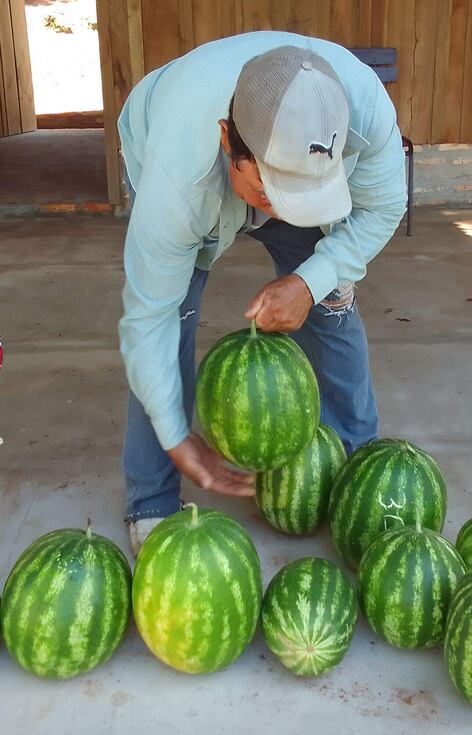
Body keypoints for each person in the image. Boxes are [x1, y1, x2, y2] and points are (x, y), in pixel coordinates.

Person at [117, 32, 407, 554]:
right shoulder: (176, 175)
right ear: (230, 143)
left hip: (269, 163)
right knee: (172, 317)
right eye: (270, 194)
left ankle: (354, 461)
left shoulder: (366, 112)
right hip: (181, 154)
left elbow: (384, 208)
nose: (284, 212)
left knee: (333, 299)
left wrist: (310, 281)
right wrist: (175, 431)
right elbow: (148, 316)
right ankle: (152, 496)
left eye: (302, 197)